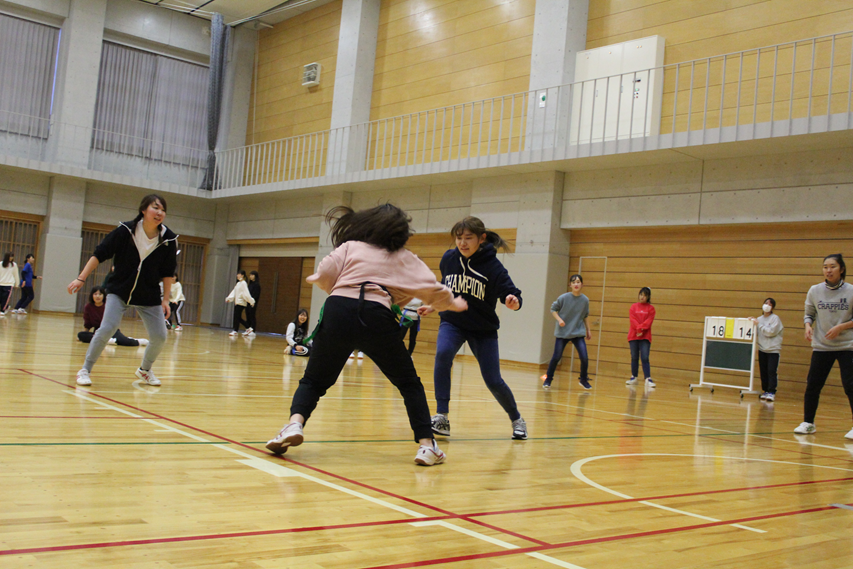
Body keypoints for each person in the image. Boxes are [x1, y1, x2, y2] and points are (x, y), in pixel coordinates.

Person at [265, 204, 467, 466]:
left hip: (338, 309)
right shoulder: (403, 256)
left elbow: (325, 272)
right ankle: (427, 446)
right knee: (408, 384)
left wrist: (337, 291)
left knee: (314, 380)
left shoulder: (351, 247)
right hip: (376, 315)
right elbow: (430, 286)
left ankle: (294, 425)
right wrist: (451, 303)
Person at [422, 216, 528, 440]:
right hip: (453, 322)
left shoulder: (493, 267)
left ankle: (517, 418)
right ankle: (441, 416)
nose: (462, 243)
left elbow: (512, 293)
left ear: (482, 239)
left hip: (483, 329)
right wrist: (433, 304)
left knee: (493, 380)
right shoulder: (449, 258)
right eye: (459, 238)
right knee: (443, 354)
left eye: (468, 238)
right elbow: (445, 287)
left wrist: (513, 301)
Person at [67, 194, 177, 387]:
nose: (160, 213)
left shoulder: (168, 239)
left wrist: (166, 300)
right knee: (108, 327)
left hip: (148, 294)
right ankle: (85, 369)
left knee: (160, 336)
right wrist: (81, 278)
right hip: (119, 290)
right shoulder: (125, 231)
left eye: (163, 210)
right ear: (143, 210)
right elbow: (99, 254)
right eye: (155, 208)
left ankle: (145, 370)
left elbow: (168, 273)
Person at [794, 254, 853, 439]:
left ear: (841, 269)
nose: (828, 270)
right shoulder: (815, 290)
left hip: (847, 345)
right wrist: (808, 326)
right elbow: (809, 313)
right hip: (822, 345)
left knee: (850, 385)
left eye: (832, 266)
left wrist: (841, 327)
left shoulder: (851, 291)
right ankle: (808, 423)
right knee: (813, 385)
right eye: (825, 267)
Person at [542, 275, 592, 390]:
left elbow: (585, 315)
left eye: (578, 282)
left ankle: (583, 380)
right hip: (563, 332)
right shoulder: (563, 298)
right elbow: (553, 309)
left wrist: (588, 330)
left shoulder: (585, 300)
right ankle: (548, 379)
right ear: (570, 285)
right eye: (574, 282)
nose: (576, 284)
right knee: (556, 357)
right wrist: (559, 320)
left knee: (584, 357)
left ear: (582, 284)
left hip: (578, 332)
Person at [78, 286, 150, 347]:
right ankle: (107, 340)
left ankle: (138, 341)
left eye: (100, 294)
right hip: (98, 331)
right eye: (95, 294)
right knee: (81, 335)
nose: (97, 296)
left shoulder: (108, 305)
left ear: (103, 296)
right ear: (92, 295)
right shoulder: (88, 307)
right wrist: (84, 335)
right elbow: (87, 323)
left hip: (111, 330)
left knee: (125, 342)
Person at [749, 297, 783, 401]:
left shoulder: (775, 319)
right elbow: (754, 331)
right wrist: (750, 322)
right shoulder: (759, 319)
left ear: (772, 307)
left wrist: (759, 325)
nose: (767, 305)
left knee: (771, 371)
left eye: (770, 304)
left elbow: (770, 332)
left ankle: (772, 391)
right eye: (765, 303)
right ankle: (765, 391)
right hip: (762, 349)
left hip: (773, 350)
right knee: (763, 371)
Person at [626, 286, 656, 389]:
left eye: (644, 295)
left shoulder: (651, 309)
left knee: (645, 357)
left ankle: (648, 378)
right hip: (633, 336)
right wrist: (638, 329)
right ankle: (634, 377)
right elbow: (632, 320)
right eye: (641, 295)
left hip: (645, 337)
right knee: (634, 357)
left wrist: (641, 329)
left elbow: (648, 322)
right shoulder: (633, 307)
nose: (642, 297)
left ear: (648, 297)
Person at [225, 270, 254, 336]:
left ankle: (236, 330)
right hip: (237, 302)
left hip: (241, 302)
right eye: (237, 274)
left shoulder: (244, 283)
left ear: (242, 275)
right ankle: (248, 328)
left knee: (237, 317)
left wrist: (251, 301)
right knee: (237, 317)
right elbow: (234, 292)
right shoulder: (238, 283)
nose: (237, 275)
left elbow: (246, 293)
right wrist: (229, 298)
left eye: (239, 274)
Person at [245, 270, 261, 335]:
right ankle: (248, 329)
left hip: (253, 302)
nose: (251, 276)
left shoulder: (257, 285)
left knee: (252, 315)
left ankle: (253, 329)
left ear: (255, 276)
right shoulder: (250, 284)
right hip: (248, 302)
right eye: (250, 275)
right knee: (247, 315)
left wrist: (252, 301)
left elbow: (256, 295)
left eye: (252, 275)